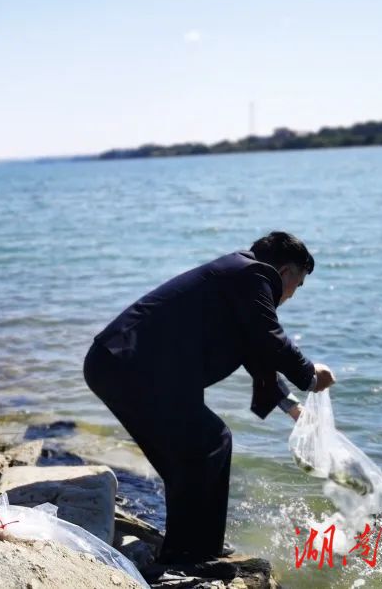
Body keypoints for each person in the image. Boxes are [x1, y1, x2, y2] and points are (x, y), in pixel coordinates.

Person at [83, 231, 336, 571]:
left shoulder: (239, 276)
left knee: (194, 451)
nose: (290, 296)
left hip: (123, 366)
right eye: (297, 285)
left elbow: (255, 348)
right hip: (128, 365)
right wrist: (310, 375)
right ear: (287, 272)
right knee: (208, 443)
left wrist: (293, 407)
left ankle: (199, 548)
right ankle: (188, 555)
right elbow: (270, 337)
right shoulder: (253, 274)